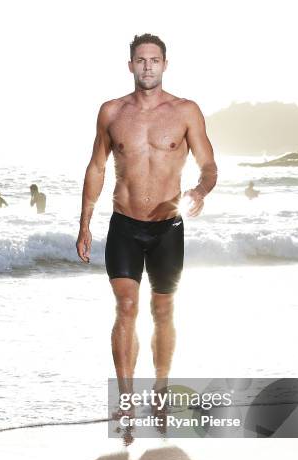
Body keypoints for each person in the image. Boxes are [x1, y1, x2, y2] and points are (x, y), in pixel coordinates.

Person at [76, 33, 218, 403]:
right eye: (141, 60)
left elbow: (209, 165)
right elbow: (96, 167)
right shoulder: (112, 112)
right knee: (125, 306)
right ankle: (125, 398)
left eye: (154, 60)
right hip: (124, 223)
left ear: (165, 65)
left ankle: (160, 386)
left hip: (167, 227)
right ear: (130, 66)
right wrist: (84, 223)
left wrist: (200, 192)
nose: (148, 66)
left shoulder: (186, 111)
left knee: (163, 308)